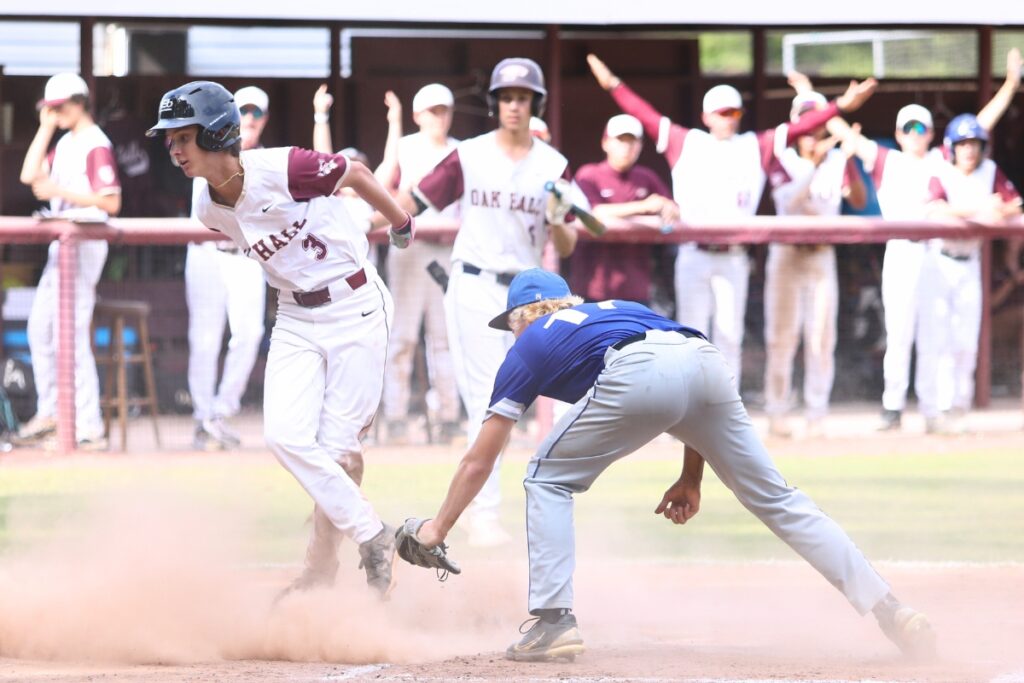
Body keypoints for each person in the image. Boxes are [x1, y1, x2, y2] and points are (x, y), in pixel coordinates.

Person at [409, 268, 936, 662]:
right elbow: (682, 368)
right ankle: (891, 611)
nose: (513, 333)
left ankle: (552, 622)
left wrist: (437, 529)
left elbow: (480, 459)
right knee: (779, 500)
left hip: (639, 368)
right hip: (705, 362)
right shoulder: (614, 309)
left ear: (525, 316)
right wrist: (691, 476)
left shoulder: (530, 345)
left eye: (512, 324)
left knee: (546, 477)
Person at [147, 80, 413, 597]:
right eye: (170, 139)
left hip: (355, 304)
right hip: (293, 314)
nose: (174, 148)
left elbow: (355, 173)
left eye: (183, 136)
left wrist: (401, 221)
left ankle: (320, 567)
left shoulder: (281, 166)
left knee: (341, 453)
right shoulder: (207, 206)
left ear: (217, 131)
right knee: (284, 436)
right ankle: (373, 536)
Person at [586, 54, 878, 390]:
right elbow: (641, 112)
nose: (729, 118)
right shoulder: (687, 141)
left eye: (734, 112)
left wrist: (839, 105)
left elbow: (802, 126)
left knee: (729, 338)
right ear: (706, 116)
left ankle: (724, 414)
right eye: (722, 112)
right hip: (694, 252)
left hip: (734, 255)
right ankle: (683, 413)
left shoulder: (754, 145)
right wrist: (611, 83)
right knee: (687, 337)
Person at [401, 57, 579, 547]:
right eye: (505, 97)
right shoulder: (471, 154)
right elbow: (413, 201)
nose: (513, 106)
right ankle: (483, 513)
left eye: (522, 98)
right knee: (489, 398)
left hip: (530, 296)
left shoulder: (554, 166)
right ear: (496, 103)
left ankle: (540, 506)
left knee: (540, 397)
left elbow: (566, 245)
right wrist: (366, 214)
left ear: (534, 103)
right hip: (476, 283)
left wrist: (561, 216)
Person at [832, 47, 1021, 431]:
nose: (915, 134)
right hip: (902, 250)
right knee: (899, 332)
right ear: (899, 133)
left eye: (922, 128)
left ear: (932, 133)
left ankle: (937, 410)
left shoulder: (940, 159)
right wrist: (829, 107)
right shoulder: (885, 158)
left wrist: (1010, 85)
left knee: (939, 336)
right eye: (908, 128)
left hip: (936, 252)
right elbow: (837, 130)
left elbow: (978, 124)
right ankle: (893, 406)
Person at [16, 72, 121, 450]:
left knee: (71, 336)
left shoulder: (96, 143)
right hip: (60, 243)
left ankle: (88, 424)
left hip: (85, 241)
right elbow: (29, 174)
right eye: (50, 108)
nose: (54, 113)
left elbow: (111, 202)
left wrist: (60, 191)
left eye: (59, 107)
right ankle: (51, 412)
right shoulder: (64, 142)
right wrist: (45, 128)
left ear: (79, 103)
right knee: (39, 330)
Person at [763, 85, 868, 438]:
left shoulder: (837, 160)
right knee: (782, 338)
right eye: (805, 125)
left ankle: (816, 414)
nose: (812, 133)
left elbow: (857, 198)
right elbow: (791, 203)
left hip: (821, 255)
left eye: (817, 125)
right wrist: (815, 162)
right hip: (787, 255)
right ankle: (777, 412)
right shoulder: (782, 158)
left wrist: (848, 158)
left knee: (821, 338)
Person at [921, 114, 1022, 433]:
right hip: (940, 260)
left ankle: (958, 410)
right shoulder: (940, 170)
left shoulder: (989, 171)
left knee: (965, 339)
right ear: (952, 147)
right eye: (963, 144)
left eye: (975, 144)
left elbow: (1015, 204)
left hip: (970, 262)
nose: (969, 150)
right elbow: (934, 210)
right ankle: (933, 411)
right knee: (935, 339)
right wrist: (980, 208)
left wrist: (999, 209)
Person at [374, 85, 461, 444]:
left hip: (447, 250)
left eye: (444, 110)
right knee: (403, 336)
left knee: (445, 339)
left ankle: (449, 419)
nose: (439, 117)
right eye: (432, 110)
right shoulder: (405, 147)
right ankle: (395, 418)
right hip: (409, 247)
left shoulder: (459, 151)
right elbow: (381, 190)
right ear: (418, 115)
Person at [185, 85, 270, 450]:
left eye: (257, 113)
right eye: (244, 111)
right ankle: (203, 418)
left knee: (249, 334)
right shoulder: (208, 147)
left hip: (246, 255)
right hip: (206, 252)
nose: (250, 118)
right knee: (204, 339)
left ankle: (221, 411)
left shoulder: (269, 160)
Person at [568, 113, 678, 305]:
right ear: (605, 142)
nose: (626, 147)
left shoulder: (647, 177)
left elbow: (672, 207)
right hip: (593, 286)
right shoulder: (589, 175)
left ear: (640, 145)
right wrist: (644, 207)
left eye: (632, 141)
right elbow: (593, 213)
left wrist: (669, 208)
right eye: (620, 140)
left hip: (636, 287)